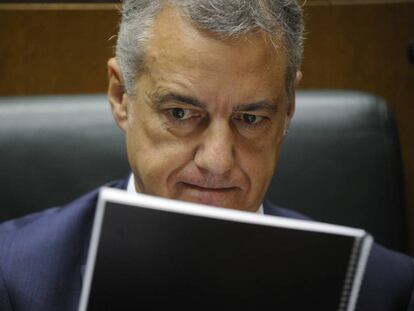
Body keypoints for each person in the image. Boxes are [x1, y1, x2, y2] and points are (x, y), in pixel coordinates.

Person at [0, 1, 413, 310]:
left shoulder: (387, 292)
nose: (217, 161)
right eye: (180, 114)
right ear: (121, 96)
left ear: (287, 110)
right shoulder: (13, 278)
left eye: (251, 118)